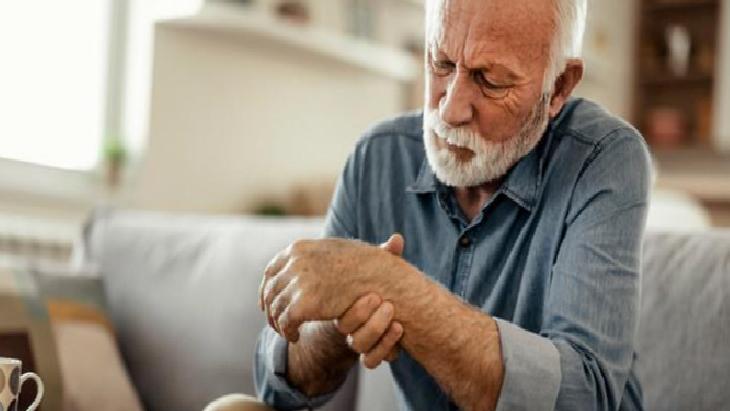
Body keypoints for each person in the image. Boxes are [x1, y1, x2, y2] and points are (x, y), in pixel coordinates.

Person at [207, 0, 651, 409]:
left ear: (558, 88)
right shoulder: (378, 156)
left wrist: (393, 285)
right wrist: (339, 316)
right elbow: (280, 390)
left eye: (490, 80)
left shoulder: (604, 159)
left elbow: (586, 397)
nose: (451, 109)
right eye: (440, 63)